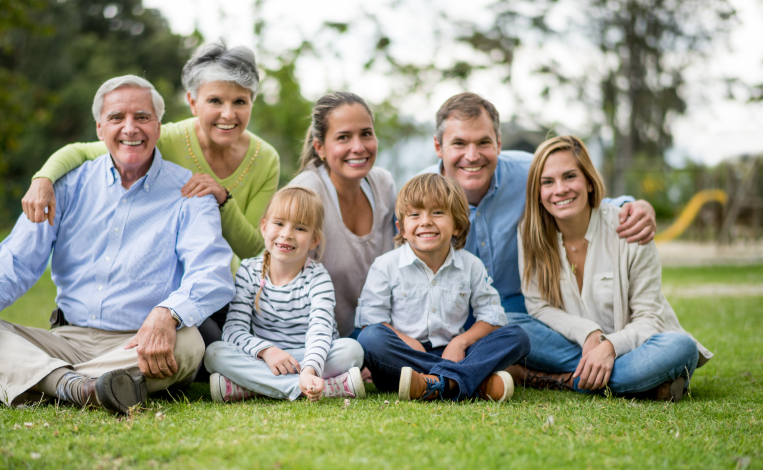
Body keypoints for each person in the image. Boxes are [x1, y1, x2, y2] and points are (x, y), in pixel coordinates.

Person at [0, 75, 235, 415]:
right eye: (116, 118)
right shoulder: (65, 187)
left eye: (142, 117)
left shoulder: (189, 192)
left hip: (141, 343)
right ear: (99, 128)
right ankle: (80, 388)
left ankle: (27, 383)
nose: (130, 128)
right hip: (67, 339)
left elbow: (212, 273)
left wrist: (165, 315)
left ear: (158, 126)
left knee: (188, 345)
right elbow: (16, 259)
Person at [19, 39, 280, 347]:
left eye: (240, 101)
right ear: (193, 103)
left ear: (252, 103)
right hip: (161, 287)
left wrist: (223, 200)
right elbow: (82, 151)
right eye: (215, 101)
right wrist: (43, 179)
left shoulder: (265, 159)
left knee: (226, 345)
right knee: (202, 347)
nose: (228, 114)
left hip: (215, 288)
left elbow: (255, 251)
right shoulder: (162, 137)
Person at [415, 93, 658, 373]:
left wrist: (634, 205)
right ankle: (603, 371)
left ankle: (569, 369)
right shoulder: (418, 194)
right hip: (454, 321)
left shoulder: (529, 172)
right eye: (459, 143)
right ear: (438, 146)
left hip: (526, 319)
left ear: (499, 143)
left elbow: (577, 197)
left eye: (483, 142)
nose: (472, 156)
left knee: (516, 328)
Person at [515, 136, 712, 399]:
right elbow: (538, 306)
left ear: (588, 181)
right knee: (509, 326)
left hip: (638, 347)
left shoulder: (629, 226)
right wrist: (589, 334)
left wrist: (609, 347)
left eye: (570, 176)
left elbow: (650, 319)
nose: (559, 189)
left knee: (681, 348)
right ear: (537, 194)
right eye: (547, 182)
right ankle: (639, 382)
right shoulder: (530, 234)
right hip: (578, 346)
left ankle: (564, 380)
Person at [356, 174, 530, 402]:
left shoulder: (471, 265)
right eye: (415, 214)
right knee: (370, 338)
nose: (426, 221)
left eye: (437, 213)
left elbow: (492, 316)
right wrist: (408, 342)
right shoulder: (385, 265)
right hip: (404, 359)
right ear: (402, 228)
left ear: (457, 224)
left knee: (517, 336)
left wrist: (460, 342)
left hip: (455, 352)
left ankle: (436, 385)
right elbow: (373, 320)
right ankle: (471, 382)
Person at [204, 186, 365, 402]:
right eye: (279, 223)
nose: (286, 234)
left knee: (352, 350)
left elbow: (321, 328)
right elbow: (234, 330)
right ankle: (316, 388)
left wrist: (309, 370)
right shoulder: (249, 270)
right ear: (264, 227)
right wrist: (267, 351)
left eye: (300, 228)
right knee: (214, 353)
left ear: (314, 240)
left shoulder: (317, 277)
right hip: (266, 360)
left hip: (308, 356)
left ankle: (251, 387)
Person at [288, 92, 397, 338]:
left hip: (376, 334)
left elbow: (393, 272)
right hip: (314, 338)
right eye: (343, 137)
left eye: (366, 133)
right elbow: (288, 288)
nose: (358, 147)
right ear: (320, 147)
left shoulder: (383, 184)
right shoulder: (305, 193)